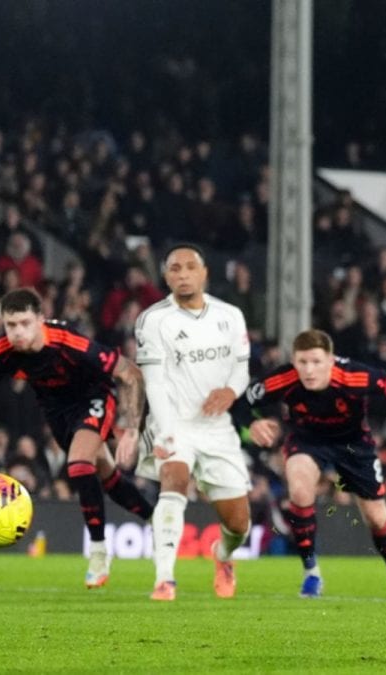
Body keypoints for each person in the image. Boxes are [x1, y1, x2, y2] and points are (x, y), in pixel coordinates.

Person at [0, 288, 154, 588]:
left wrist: (132, 430)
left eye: (25, 323)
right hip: (56, 412)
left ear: (40, 319)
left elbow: (129, 372)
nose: (17, 332)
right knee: (106, 475)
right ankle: (158, 519)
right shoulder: (0, 353)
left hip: (94, 397)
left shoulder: (69, 342)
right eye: (11, 325)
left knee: (79, 464)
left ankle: (98, 550)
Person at [246, 329, 386, 600]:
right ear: (294, 361)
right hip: (307, 441)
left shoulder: (353, 375)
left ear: (330, 360)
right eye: (303, 362)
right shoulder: (283, 378)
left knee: (377, 517)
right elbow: (243, 400)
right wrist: (252, 422)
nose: (309, 370)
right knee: (299, 490)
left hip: (353, 445)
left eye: (316, 362)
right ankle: (311, 574)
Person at [128, 244, 252, 601]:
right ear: (166, 277)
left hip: (216, 428)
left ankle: (223, 555)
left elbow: (241, 369)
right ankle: (164, 579)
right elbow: (154, 382)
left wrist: (230, 391)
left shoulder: (230, 316)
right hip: (174, 422)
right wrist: (165, 431)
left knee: (238, 524)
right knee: (175, 480)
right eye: (175, 269)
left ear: (204, 273)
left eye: (189, 267)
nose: (183, 274)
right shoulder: (154, 320)